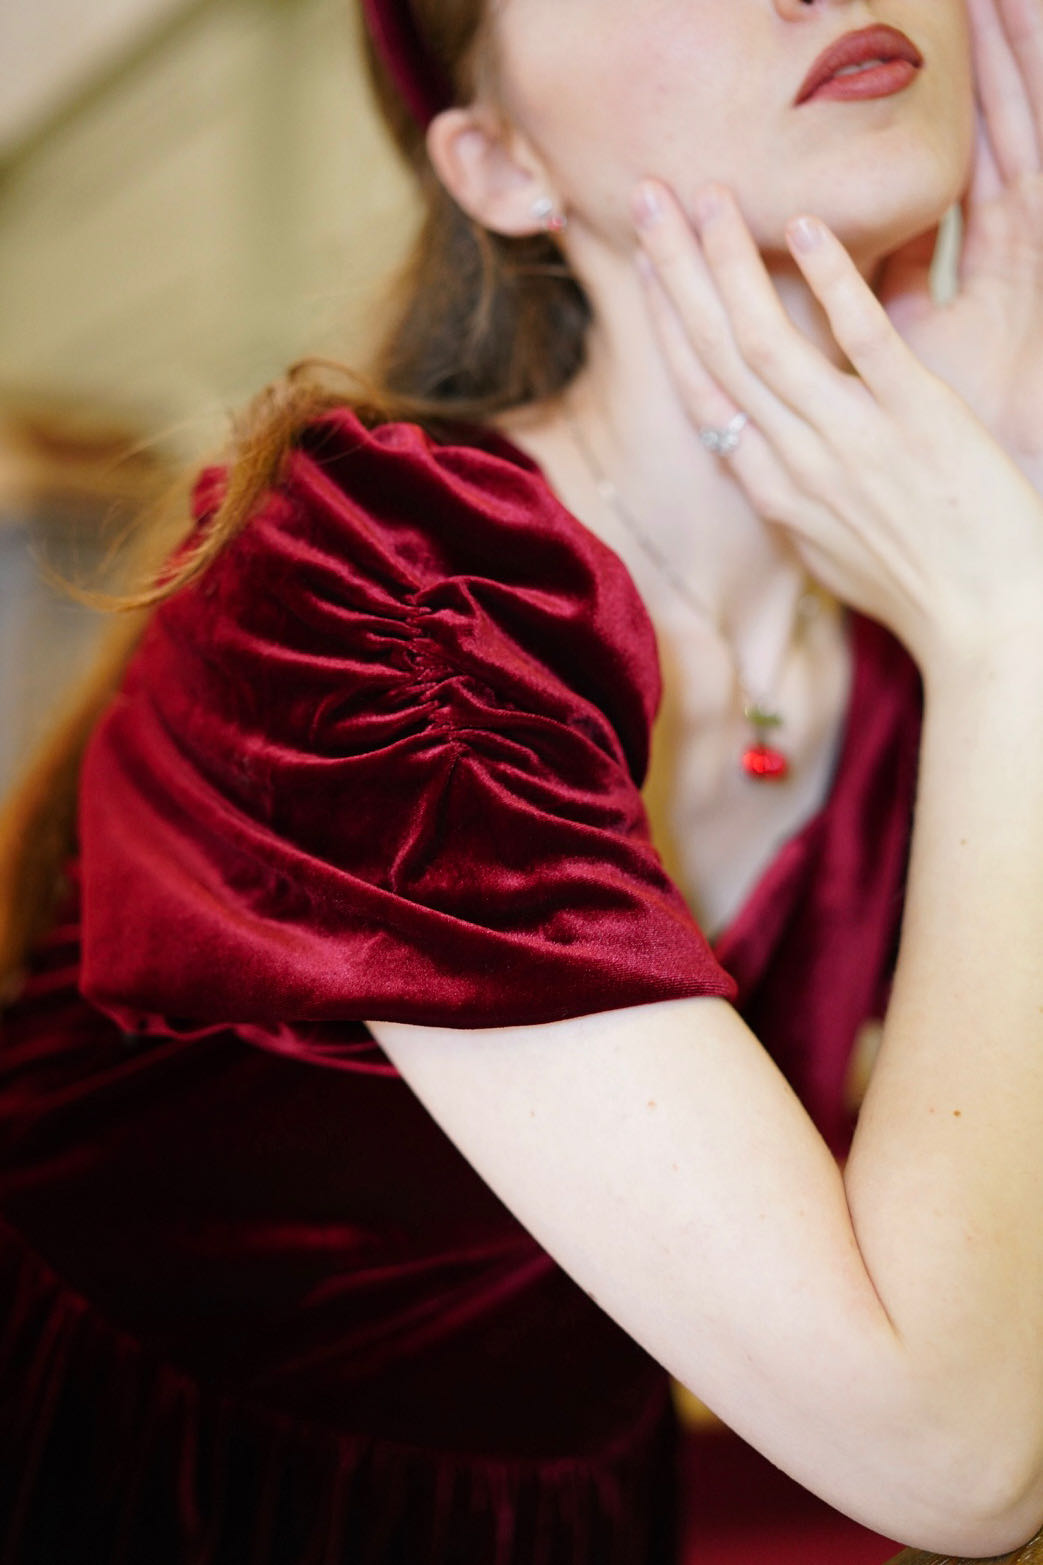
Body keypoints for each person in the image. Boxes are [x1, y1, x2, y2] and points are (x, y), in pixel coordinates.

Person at [1, 0, 1042, 1561]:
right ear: (497, 168)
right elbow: (957, 1461)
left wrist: (1009, 515)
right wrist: (1010, 624)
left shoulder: (906, 642)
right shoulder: (371, 586)